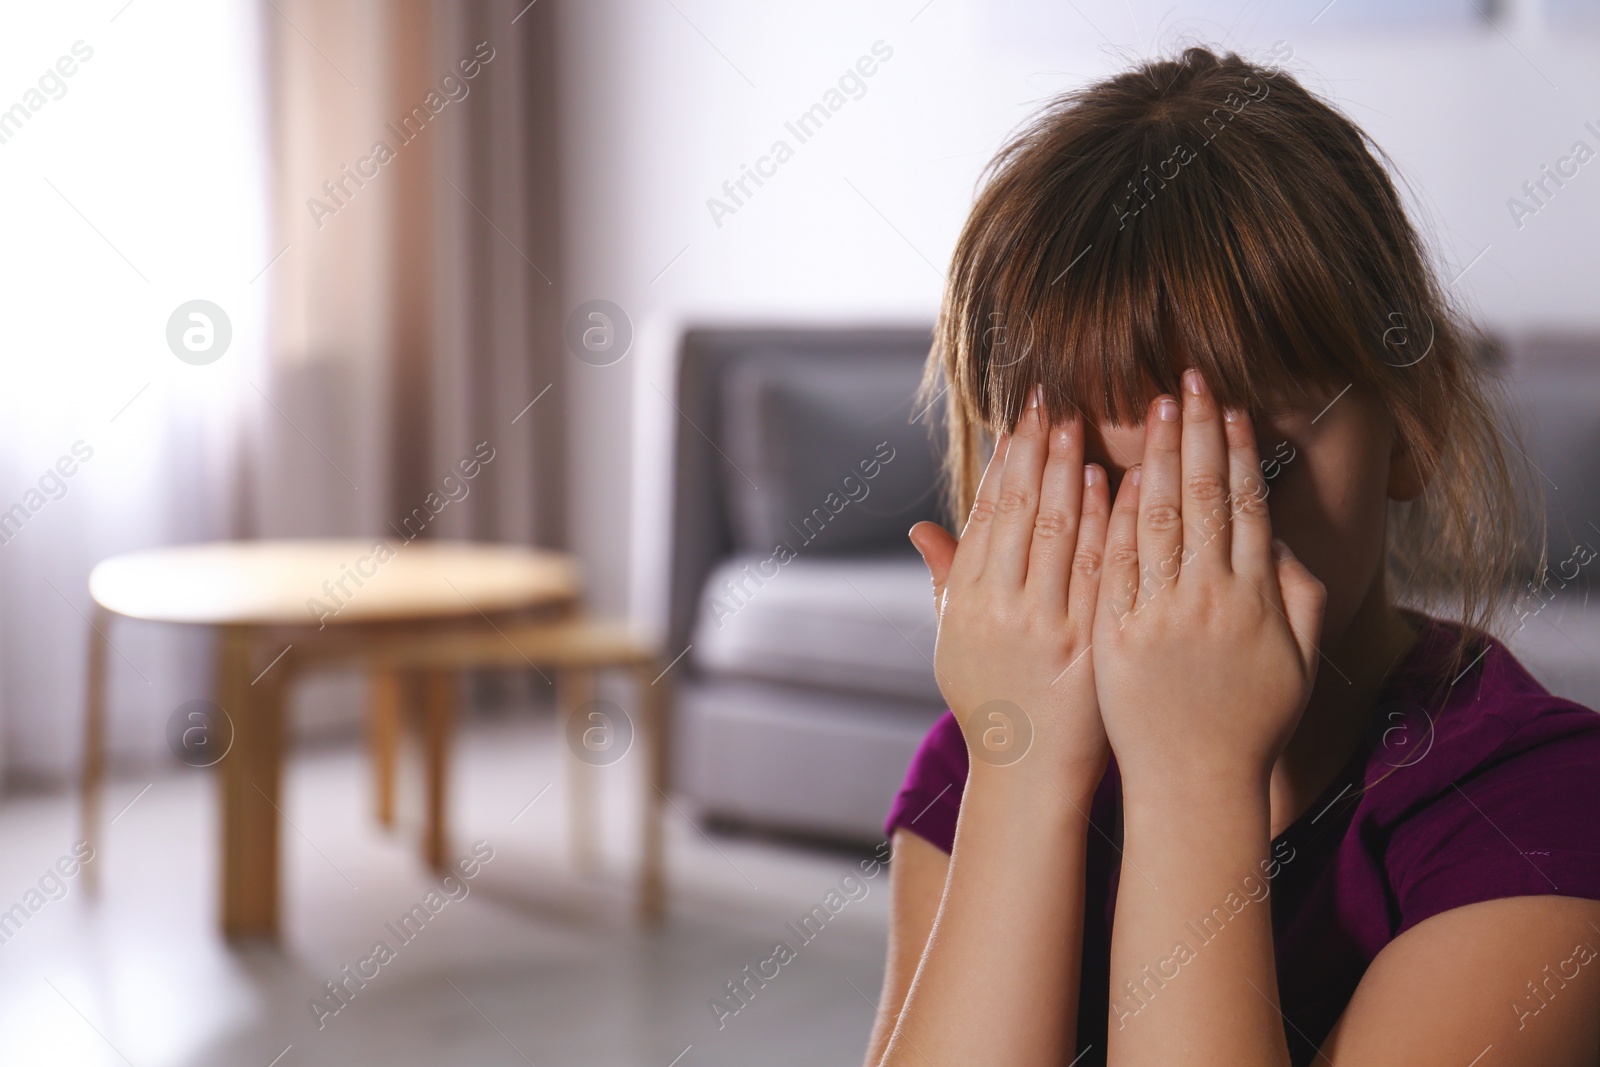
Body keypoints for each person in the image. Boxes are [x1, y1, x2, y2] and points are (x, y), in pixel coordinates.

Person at [864, 44, 1600, 1067]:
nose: (1154, 551)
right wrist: (1022, 778)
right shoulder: (984, 760)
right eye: (1087, 485)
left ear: (1414, 418)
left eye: (1240, 477)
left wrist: (1191, 775)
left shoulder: (1545, 813)